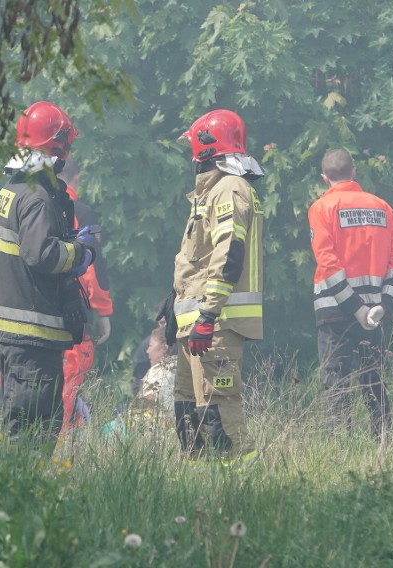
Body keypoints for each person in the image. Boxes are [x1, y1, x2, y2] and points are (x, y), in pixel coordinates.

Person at [0, 100, 98, 439]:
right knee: (33, 435)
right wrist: (79, 250)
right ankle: (24, 492)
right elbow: (41, 255)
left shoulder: (13, 189)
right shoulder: (38, 197)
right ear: (58, 147)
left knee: (20, 429)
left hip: (15, 336)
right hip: (34, 337)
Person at [165, 109, 264, 464]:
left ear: (205, 148)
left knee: (219, 415)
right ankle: (197, 493)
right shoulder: (210, 193)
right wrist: (174, 305)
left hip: (216, 325)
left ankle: (245, 487)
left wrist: (207, 314)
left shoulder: (228, 189)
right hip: (194, 325)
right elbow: (198, 259)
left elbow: (228, 255)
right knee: (187, 412)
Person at [307, 148, 393, 440]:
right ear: (354, 172)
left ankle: (341, 446)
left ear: (325, 178)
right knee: (373, 379)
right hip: (375, 312)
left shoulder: (321, 208)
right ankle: (384, 441)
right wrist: (383, 304)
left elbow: (328, 263)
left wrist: (354, 307)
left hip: (335, 309)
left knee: (337, 381)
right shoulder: (382, 207)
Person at [55, 157, 114, 432]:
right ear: (76, 179)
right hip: (72, 315)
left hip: (31, 313)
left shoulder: (30, 206)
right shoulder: (80, 211)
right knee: (66, 384)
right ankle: (60, 452)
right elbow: (91, 267)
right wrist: (103, 312)